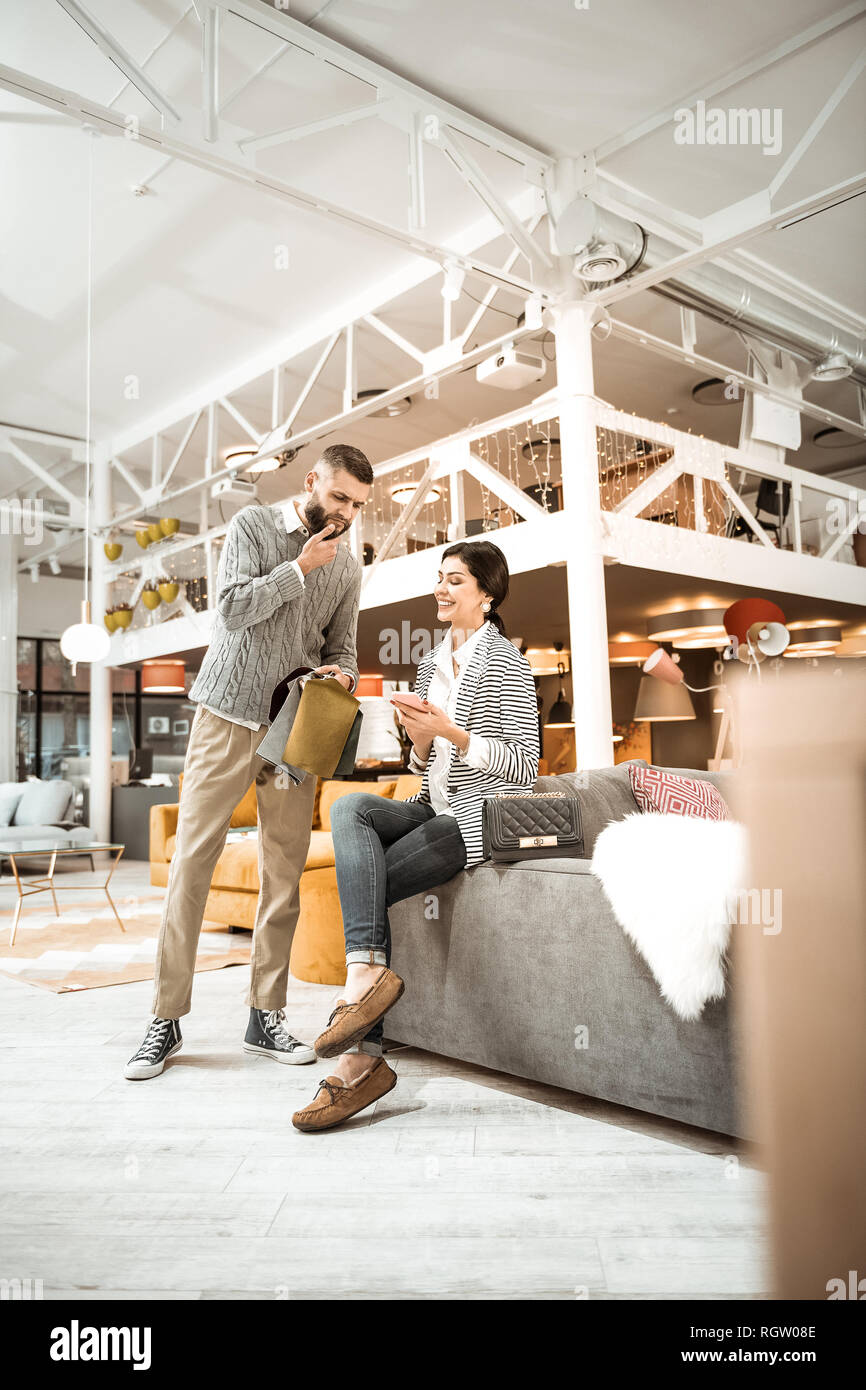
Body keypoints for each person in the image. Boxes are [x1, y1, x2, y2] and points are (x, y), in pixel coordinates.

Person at [125, 444, 373, 1079]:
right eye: (339, 497)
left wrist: (341, 676)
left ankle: (266, 1014)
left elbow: (342, 644)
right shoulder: (253, 526)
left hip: (295, 725)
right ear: (313, 481)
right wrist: (300, 567)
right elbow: (231, 609)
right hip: (227, 713)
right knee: (193, 861)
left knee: (283, 872)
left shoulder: (347, 567)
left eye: (358, 505)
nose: (346, 514)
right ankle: (166, 1017)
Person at [291, 540, 539, 1132]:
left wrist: (450, 731)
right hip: (434, 806)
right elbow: (427, 770)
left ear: (486, 593)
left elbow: (524, 767)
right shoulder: (430, 662)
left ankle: (359, 1060)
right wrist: (422, 740)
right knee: (351, 807)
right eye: (440, 578)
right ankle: (367, 978)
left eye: (455, 580)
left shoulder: (509, 662)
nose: (441, 589)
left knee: (365, 888)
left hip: (477, 819)